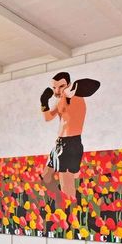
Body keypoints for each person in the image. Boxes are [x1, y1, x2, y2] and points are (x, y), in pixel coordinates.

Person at [39, 72, 100, 202]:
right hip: (58, 144)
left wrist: (73, 91)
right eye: (54, 87)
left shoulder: (77, 98)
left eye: (61, 86)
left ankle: (71, 211)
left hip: (70, 144)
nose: (57, 91)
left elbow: (94, 85)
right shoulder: (61, 99)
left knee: (67, 190)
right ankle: (58, 202)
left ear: (69, 85)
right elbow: (48, 117)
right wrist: (44, 102)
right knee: (46, 177)